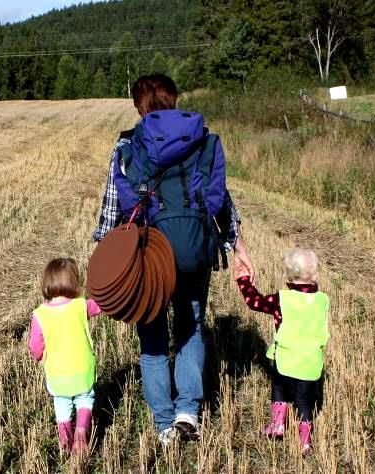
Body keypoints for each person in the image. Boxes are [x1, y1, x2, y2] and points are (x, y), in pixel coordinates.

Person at [93, 74, 254, 445]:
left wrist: (104, 262)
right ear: (175, 99)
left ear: (139, 106)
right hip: (196, 248)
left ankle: (164, 424)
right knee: (191, 326)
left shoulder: (128, 147)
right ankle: (188, 412)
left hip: (149, 256)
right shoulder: (203, 141)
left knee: (152, 339)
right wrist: (239, 249)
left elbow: (111, 210)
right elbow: (222, 203)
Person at [235, 248, 329, 455]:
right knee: (304, 401)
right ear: (316, 276)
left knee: (279, 390)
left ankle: (277, 425)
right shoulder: (323, 300)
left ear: (287, 277)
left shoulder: (282, 299)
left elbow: (255, 302)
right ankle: (305, 441)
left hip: (285, 359)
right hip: (310, 363)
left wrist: (243, 281)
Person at [28, 257, 101, 456]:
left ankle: (66, 444)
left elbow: (34, 346)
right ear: (73, 282)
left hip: (57, 374)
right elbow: (101, 305)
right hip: (82, 370)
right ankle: (81, 431)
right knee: (85, 400)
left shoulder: (40, 314)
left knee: (62, 406)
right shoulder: (81, 306)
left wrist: (40, 356)